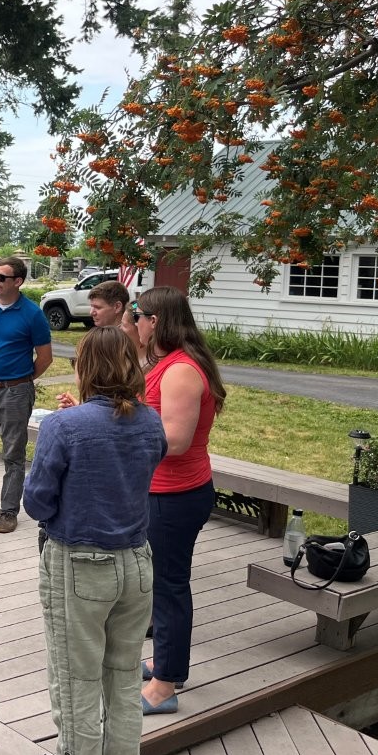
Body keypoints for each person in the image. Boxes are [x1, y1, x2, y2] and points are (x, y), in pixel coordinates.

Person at [23, 328, 167, 755]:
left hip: (80, 565)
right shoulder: (150, 422)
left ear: (86, 368)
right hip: (137, 563)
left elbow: (37, 501)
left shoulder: (64, 427)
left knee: (77, 684)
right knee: (124, 681)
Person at [134, 286, 226, 716]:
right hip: (161, 492)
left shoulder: (181, 371)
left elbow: (174, 441)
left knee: (169, 588)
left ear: (155, 321)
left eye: (138, 316)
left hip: (174, 496)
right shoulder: (166, 363)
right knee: (162, 586)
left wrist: (122, 437)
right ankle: (166, 664)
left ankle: (165, 687)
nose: (135, 323)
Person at [0, 257, 53, 533]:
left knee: (13, 454)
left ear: (18, 281)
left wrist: (20, 380)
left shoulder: (32, 314)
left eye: (2, 277)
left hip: (16, 392)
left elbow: (45, 358)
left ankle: (8, 512)